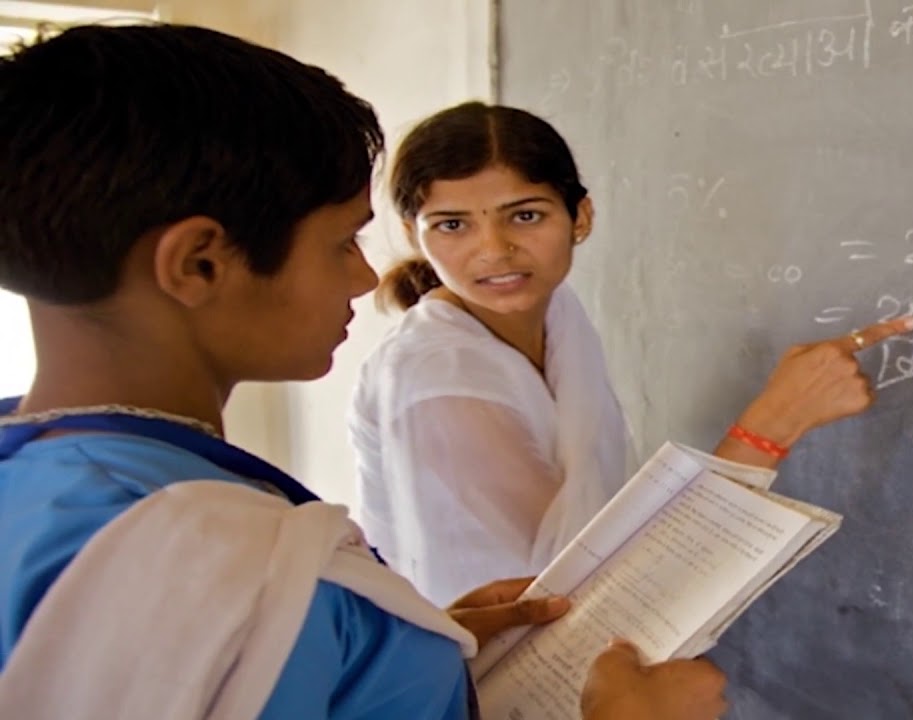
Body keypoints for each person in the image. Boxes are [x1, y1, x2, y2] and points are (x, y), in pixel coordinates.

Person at [0, 24, 729, 719]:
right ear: (200, 264)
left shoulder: (61, 485)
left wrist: (407, 653)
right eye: (341, 241)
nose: (365, 276)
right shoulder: (200, 568)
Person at [349, 101, 913, 606]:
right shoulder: (439, 378)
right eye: (452, 225)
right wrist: (773, 424)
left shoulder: (557, 313)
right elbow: (552, 605)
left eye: (525, 215)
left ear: (581, 218)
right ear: (414, 234)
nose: (494, 250)